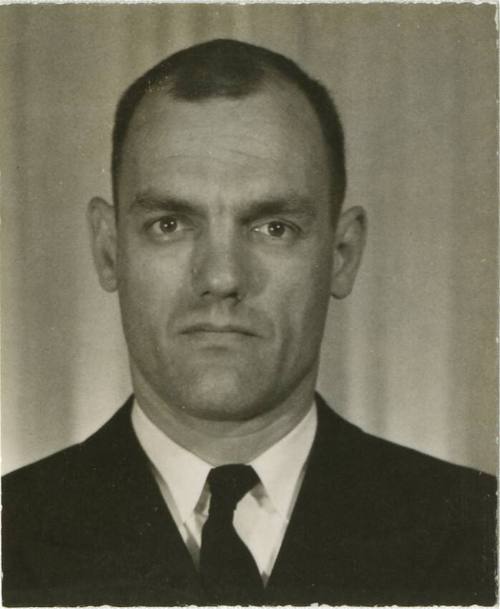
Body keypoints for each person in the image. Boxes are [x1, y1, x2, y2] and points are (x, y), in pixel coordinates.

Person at [2, 38, 496, 607]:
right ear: (110, 251)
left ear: (342, 254)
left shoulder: (479, 535)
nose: (220, 277)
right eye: (169, 224)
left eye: (273, 227)